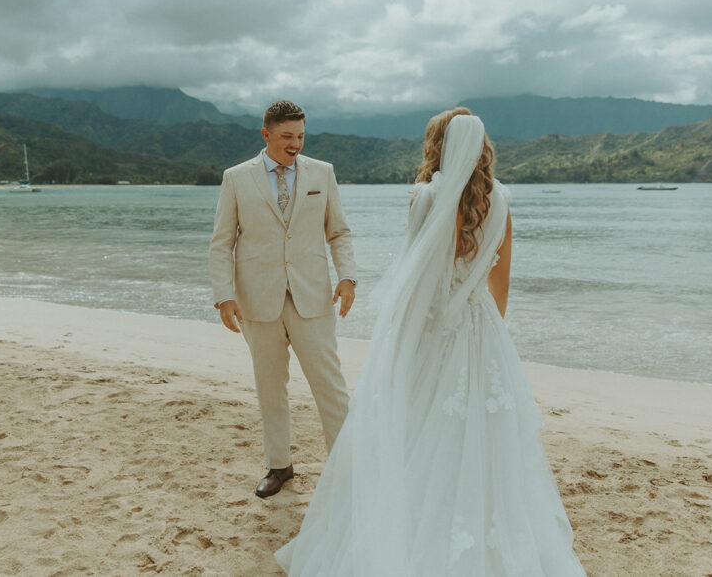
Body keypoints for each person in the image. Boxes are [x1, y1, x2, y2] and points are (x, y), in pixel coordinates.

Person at [276, 109, 587, 575]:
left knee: (416, 428)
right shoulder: (500, 201)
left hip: (430, 325)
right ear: (483, 147)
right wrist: (481, 336)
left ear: (437, 145)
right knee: (485, 438)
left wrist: (411, 335)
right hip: (480, 330)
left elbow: (415, 277)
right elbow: (499, 288)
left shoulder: (424, 198)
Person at [209, 100, 358, 498]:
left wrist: (347, 277)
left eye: (301, 136)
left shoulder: (321, 173)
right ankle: (279, 465)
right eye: (287, 137)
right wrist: (224, 295)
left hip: (312, 295)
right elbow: (222, 243)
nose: (295, 144)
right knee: (270, 387)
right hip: (257, 299)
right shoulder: (236, 178)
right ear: (267, 135)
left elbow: (339, 233)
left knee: (330, 386)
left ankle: (347, 467)